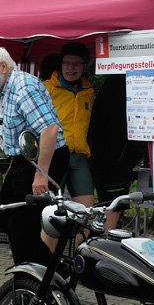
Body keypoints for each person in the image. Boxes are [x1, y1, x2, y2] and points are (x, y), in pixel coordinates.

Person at [0, 46, 69, 266]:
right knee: (5, 211)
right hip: (23, 159)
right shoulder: (6, 89)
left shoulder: (23, 87)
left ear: (3, 66)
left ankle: (35, 279)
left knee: (21, 228)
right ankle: (50, 270)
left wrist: (41, 175)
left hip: (44, 159)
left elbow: (49, 130)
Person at [87, 75, 146, 232]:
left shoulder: (111, 85)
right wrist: (142, 152)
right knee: (112, 206)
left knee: (107, 206)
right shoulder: (124, 87)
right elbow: (130, 125)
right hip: (113, 161)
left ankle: (98, 239)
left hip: (106, 157)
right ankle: (103, 243)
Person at [43, 42, 95, 208]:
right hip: (55, 155)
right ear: (61, 64)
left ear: (84, 66)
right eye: (67, 63)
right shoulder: (46, 88)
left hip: (79, 157)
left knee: (87, 212)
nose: (71, 68)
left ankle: (78, 236)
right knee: (50, 212)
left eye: (76, 63)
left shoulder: (88, 90)